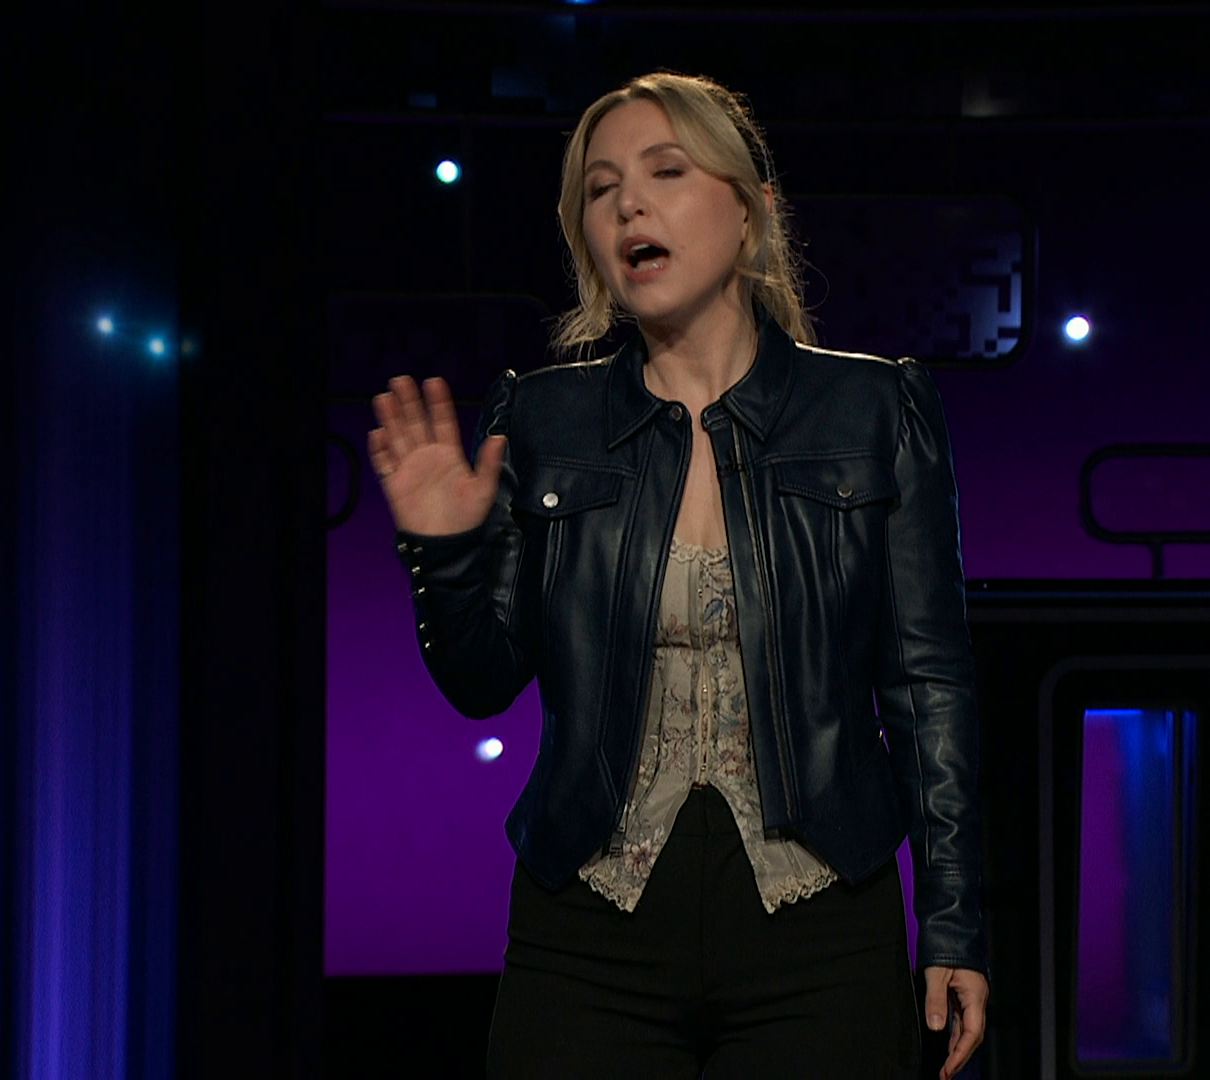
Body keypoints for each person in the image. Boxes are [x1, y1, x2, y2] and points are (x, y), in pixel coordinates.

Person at [369, 71, 989, 1079]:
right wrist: (441, 553)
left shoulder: (875, 410)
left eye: (665, 172)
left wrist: (955, 922)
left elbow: (928, 689)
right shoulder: (544, 418)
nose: (629, 206)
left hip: (821, 938)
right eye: (600, 189)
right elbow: (482, 681)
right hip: (586, 940)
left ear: (748, 210)